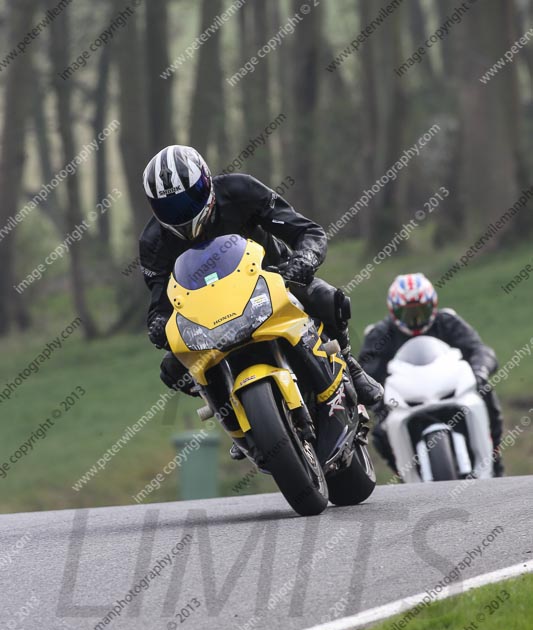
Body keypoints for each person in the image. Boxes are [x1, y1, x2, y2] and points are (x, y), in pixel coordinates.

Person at [139, 145, 383, 457]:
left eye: (188, 198)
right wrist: (158, 325)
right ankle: (237, 421)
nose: (182, 211)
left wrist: (304, 260)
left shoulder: (241, 190)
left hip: (272, 279)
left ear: (206, 182)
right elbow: (159, 301)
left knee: (326, 297)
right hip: (207, 313)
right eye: (170, 207)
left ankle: (350, 364)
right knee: (173, 367)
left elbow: (306, 231)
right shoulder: (153, 241)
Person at [358, 273, 504, 477]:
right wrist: (377, 402)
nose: (416, 320)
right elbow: (365, 375)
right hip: (404, 401)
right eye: (408, 314)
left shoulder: (447, 321)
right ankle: (405, 475)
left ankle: (494, 459)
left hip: (450, 390)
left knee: (486, 393)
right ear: (394, 312)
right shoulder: (379, 334)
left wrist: (480, 371)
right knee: (380, 432)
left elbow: (480, 350)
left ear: (432, 306)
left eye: (421, 311)